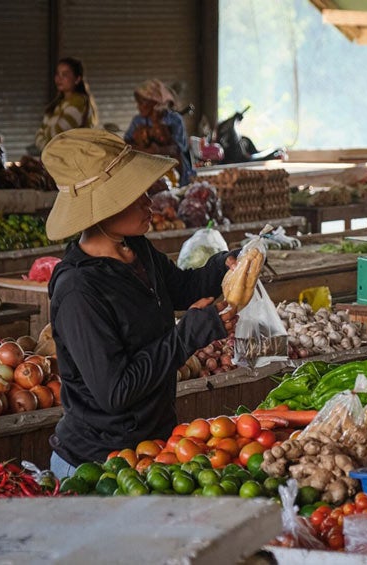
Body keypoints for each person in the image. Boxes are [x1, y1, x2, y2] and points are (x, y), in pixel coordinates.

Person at [41, 129, 236, 476]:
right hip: (98, 467)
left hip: (152, 451)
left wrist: (226, 266)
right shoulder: (78, 290)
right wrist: (189, 334)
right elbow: (116, 391)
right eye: (135, 195)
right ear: (103, 210)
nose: (150, 202)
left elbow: (182, 288)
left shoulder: (137, 249)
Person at [124, 79, 194, 186]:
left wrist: (159, 150)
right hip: (148, 172)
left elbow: (180, 147)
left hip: (175, 172)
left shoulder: (175, 119)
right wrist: (148, 151)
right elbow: (127, 145)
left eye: (142, 102)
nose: (138, 107)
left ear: (155, 101)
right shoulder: (137, 121)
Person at [34, 57, 99, 151]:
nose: (59, 78)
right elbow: (38, 135)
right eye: (57, 74)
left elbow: (57, 134)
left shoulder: (79, 102)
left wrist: (45, 139)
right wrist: (48, 145)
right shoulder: (58, 103)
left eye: (64, 74)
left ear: (77, 79)